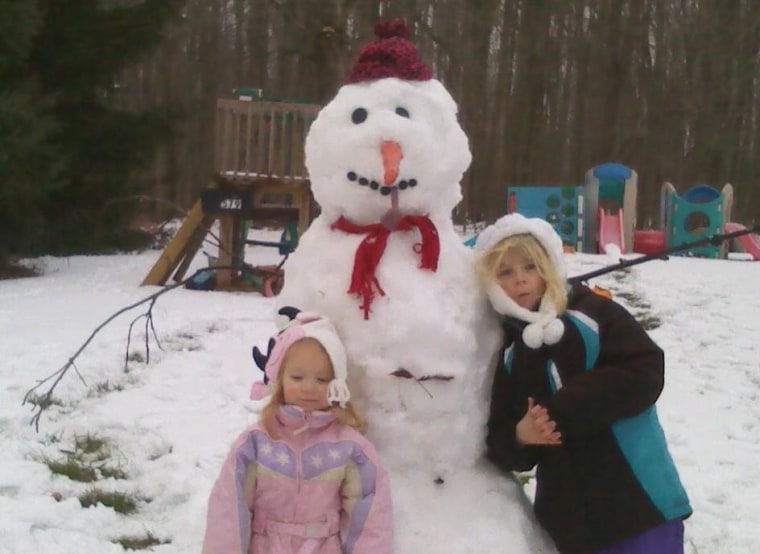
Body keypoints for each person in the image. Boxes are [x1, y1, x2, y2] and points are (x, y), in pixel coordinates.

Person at [473, 213, 692, 554]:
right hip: (573, 524)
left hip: (640, 502)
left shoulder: (593, 313)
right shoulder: (509, 353)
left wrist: (558, 411)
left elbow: (644, 370)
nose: (520, 281)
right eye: (505, 272)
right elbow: (499, 438)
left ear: (548, 265)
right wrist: (521, 435)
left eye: (530, 267)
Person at [201, 310, 393, 554]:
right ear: (280, 380)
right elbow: (229, 509)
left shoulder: (351, 448)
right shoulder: (256, 443)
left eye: (322, 379)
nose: (309, 387)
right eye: (297, 377)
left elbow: (368, 515)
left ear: (337, 384)